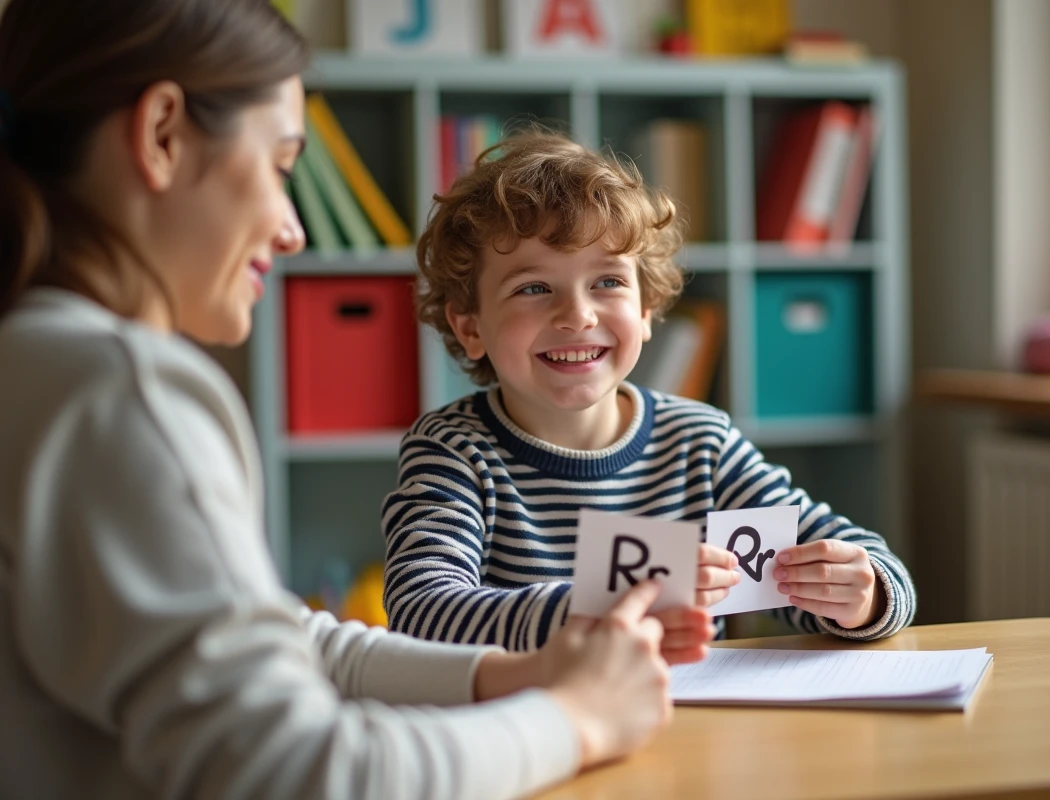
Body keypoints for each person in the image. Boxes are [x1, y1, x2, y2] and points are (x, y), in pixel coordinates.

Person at [0, 2, 701, 798]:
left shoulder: (36, 361)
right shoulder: (116, 388)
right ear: (163, 134)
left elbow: (281, 638)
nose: (292, 229)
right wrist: (576, 719)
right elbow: (296, 770)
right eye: (278, 167)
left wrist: (507, 675)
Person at [382, 130, 918, 657]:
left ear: (644, 310)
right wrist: (608, 607)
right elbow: (422, 611)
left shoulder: (699, 443)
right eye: (533, 288)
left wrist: (864, 594)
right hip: (535, 732)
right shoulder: (453, 451)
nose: (578, 315)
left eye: (608, 282)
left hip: (688, 729)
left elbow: (853, 563)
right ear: (470, 326)